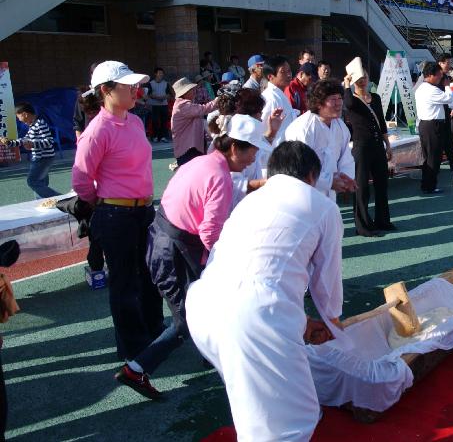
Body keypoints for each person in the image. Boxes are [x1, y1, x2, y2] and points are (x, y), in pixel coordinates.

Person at [186, 141, 343, 442]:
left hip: (204, 304)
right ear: (312, 175)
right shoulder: (323, 206)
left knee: (257, 406)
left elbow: (263, 269)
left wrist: (302, 323)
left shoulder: (250, 201)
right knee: (295, 418)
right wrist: (335, 325)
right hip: (255, 313)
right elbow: (326, 282)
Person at [117, 114, 267, 399]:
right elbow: (210, 233)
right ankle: (136, 369)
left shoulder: (200, 161)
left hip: (161, 240)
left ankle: (211, 355)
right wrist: (233, 262)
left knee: (202, 307)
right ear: (235, 147)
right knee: (189, 319)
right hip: (175, 252)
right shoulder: (220, 177)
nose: (253, 159)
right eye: (251, 151)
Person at [71, 61, 165, 395]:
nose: (135, 90)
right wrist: (105, 203)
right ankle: (133, 351)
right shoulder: (97, 130)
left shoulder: (136, 122)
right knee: (125, 284)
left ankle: (154, 336)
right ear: (106, 91)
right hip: (116, 214)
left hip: (143, 212)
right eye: (127, 86)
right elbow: (81, 179)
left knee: (150, 276)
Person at [343, 58, 393, 237]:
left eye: (364, 76)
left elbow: (382, 123)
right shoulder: (352, 99)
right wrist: (347, 84)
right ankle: (363, 225)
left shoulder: (376, 97)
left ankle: (383, 221)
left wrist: (388, 145)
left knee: (382, 185)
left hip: (378, 145)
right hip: (361, 147)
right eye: (358, 77)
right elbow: (347, 104)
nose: (362, 79)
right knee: (362, 187)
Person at [284, 79, 355, 202]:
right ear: (318, 103)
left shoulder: (340, 126)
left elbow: (346, 158)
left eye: (340, 98)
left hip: (330, 193)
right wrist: (328, 182)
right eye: (333, 99)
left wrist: (345, 178)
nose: (338, 103)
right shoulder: (303, 128)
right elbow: (300, 167)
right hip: (304, 193)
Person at [1, 103, 59, 198]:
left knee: (33, 181)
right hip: (42, 158)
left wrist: (33, 144)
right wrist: (10, 143)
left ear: (25, 114)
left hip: (43, 158)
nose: (19, 119)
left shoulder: (40, 124)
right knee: (40, 183)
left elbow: (49, 141)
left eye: (18, 116)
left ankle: (59, 199)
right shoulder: (33, 125)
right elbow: (25, 140)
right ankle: (43, 202)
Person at [415, 62, 453, 194]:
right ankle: (429, 186)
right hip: (432, 125)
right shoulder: (431, 89)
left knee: (429, 156)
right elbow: (450, 99)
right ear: (431, 75)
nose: (440, 78)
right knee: (433, 157)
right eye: (439, 76)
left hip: (426, 124)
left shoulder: (422, 87)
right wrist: (448, 87)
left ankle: (427, 184)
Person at [170, 77, 219, 166]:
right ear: (185, 93)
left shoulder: (184, 104)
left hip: (190, 147)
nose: (194, 91)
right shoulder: (182, 105)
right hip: (187, 149)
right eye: (191, 89)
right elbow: (203, 109)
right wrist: (217, 100)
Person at [260, 56, 298, 146]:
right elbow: (264, 130)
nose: (288, 75)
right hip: (276, 150)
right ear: (270, 77)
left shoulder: (279, 94)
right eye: (283, 72)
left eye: (289, 71)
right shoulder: (270, 98)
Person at [147, 67, 171, 143]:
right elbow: (149, 94)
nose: (161, 74)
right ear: (155, 74)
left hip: (164, 104)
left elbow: (169, 94)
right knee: (155, 121)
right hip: (154, 105)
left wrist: (164, 97)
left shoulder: (166, 83)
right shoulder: (151, 83)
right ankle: (155, 136)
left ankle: (163, 136)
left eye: (162, 73)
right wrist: (157, 97)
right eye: (159, 73)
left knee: (164, 121)